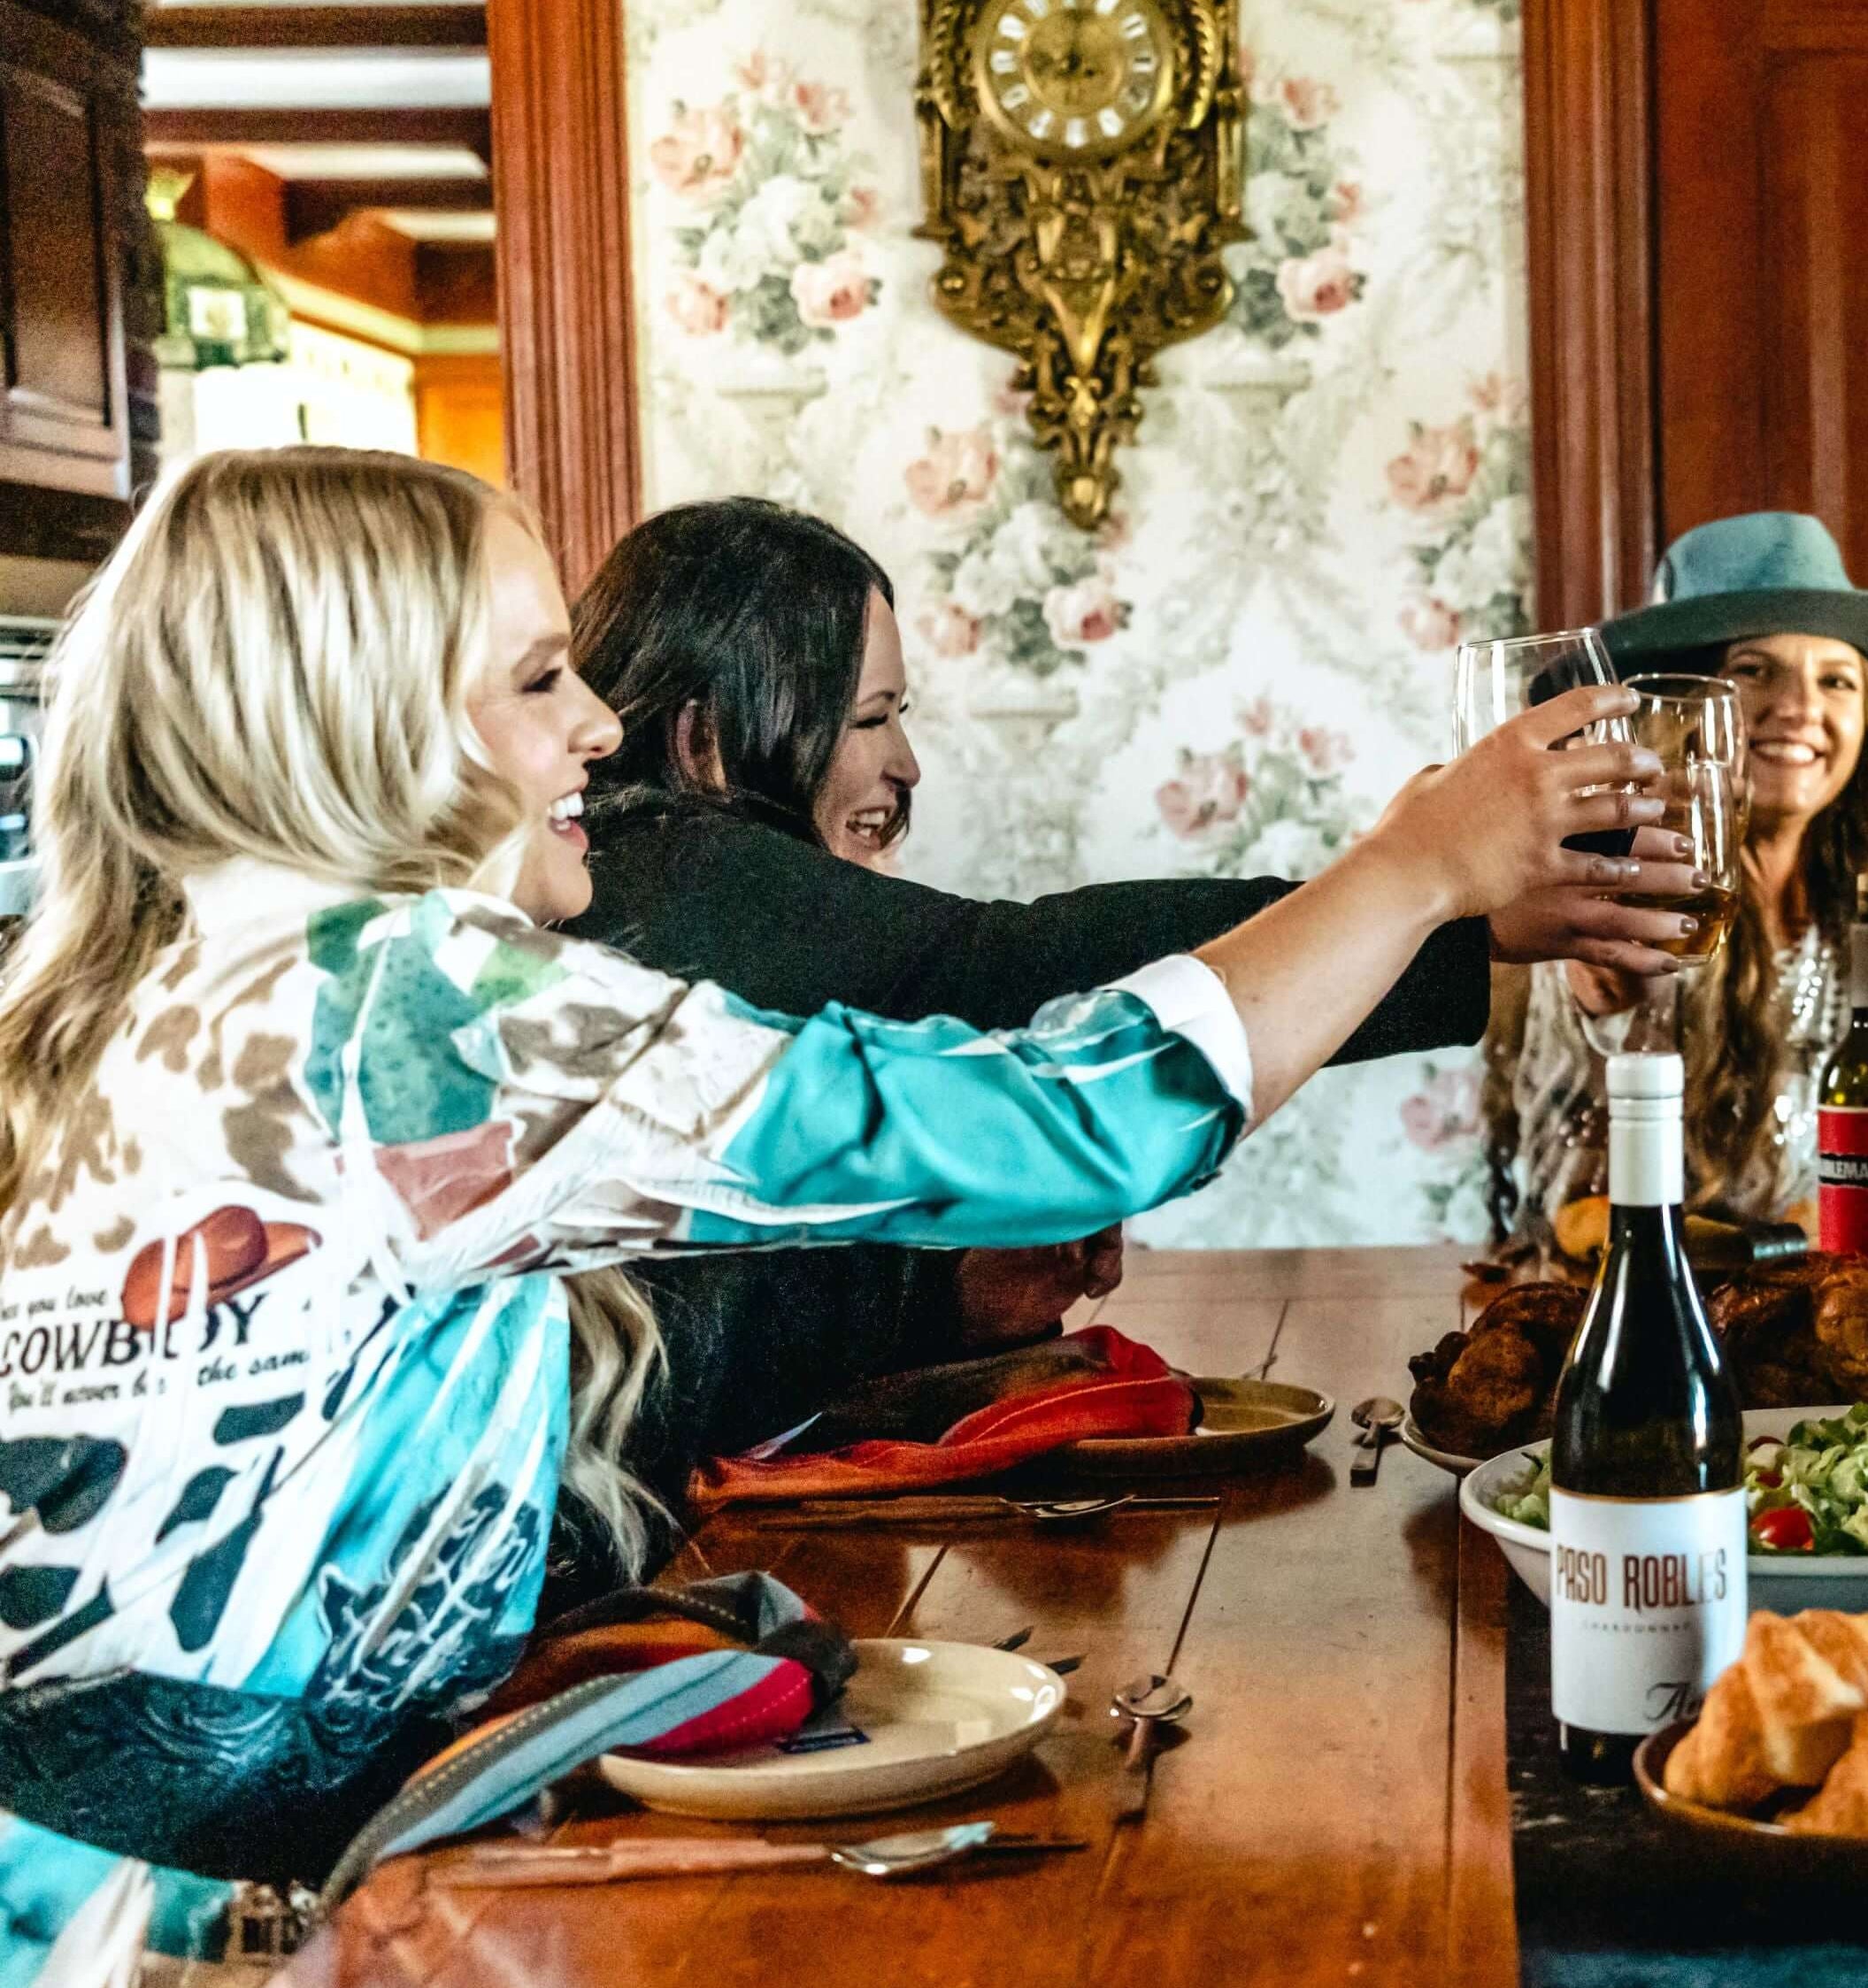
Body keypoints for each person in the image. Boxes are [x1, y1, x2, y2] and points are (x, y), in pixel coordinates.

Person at [0, 449, 1666, 1976]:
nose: (598, 725)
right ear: (363, 724)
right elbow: (1066, 1119)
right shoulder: (410, 1015)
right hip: (221, 1917)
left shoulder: (108, 985)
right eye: (533, 679)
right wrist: (1418, 867)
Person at [557, 499, 1692, 1574]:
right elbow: (1020, 975)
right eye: (868, 721)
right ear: (706, 744)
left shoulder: (646, 922)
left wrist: (940, 1303)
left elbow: (696, 1329)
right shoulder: (655, 858)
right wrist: (1432, 890)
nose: (904, 767)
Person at [1487, 512, 1868, 1247]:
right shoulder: (1613, 887)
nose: (1800, 708)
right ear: (1678, 713)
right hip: (1631, 1313)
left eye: (1836, 679)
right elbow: (1586, 1154)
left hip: (1838, 1319)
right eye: (1753, 670)